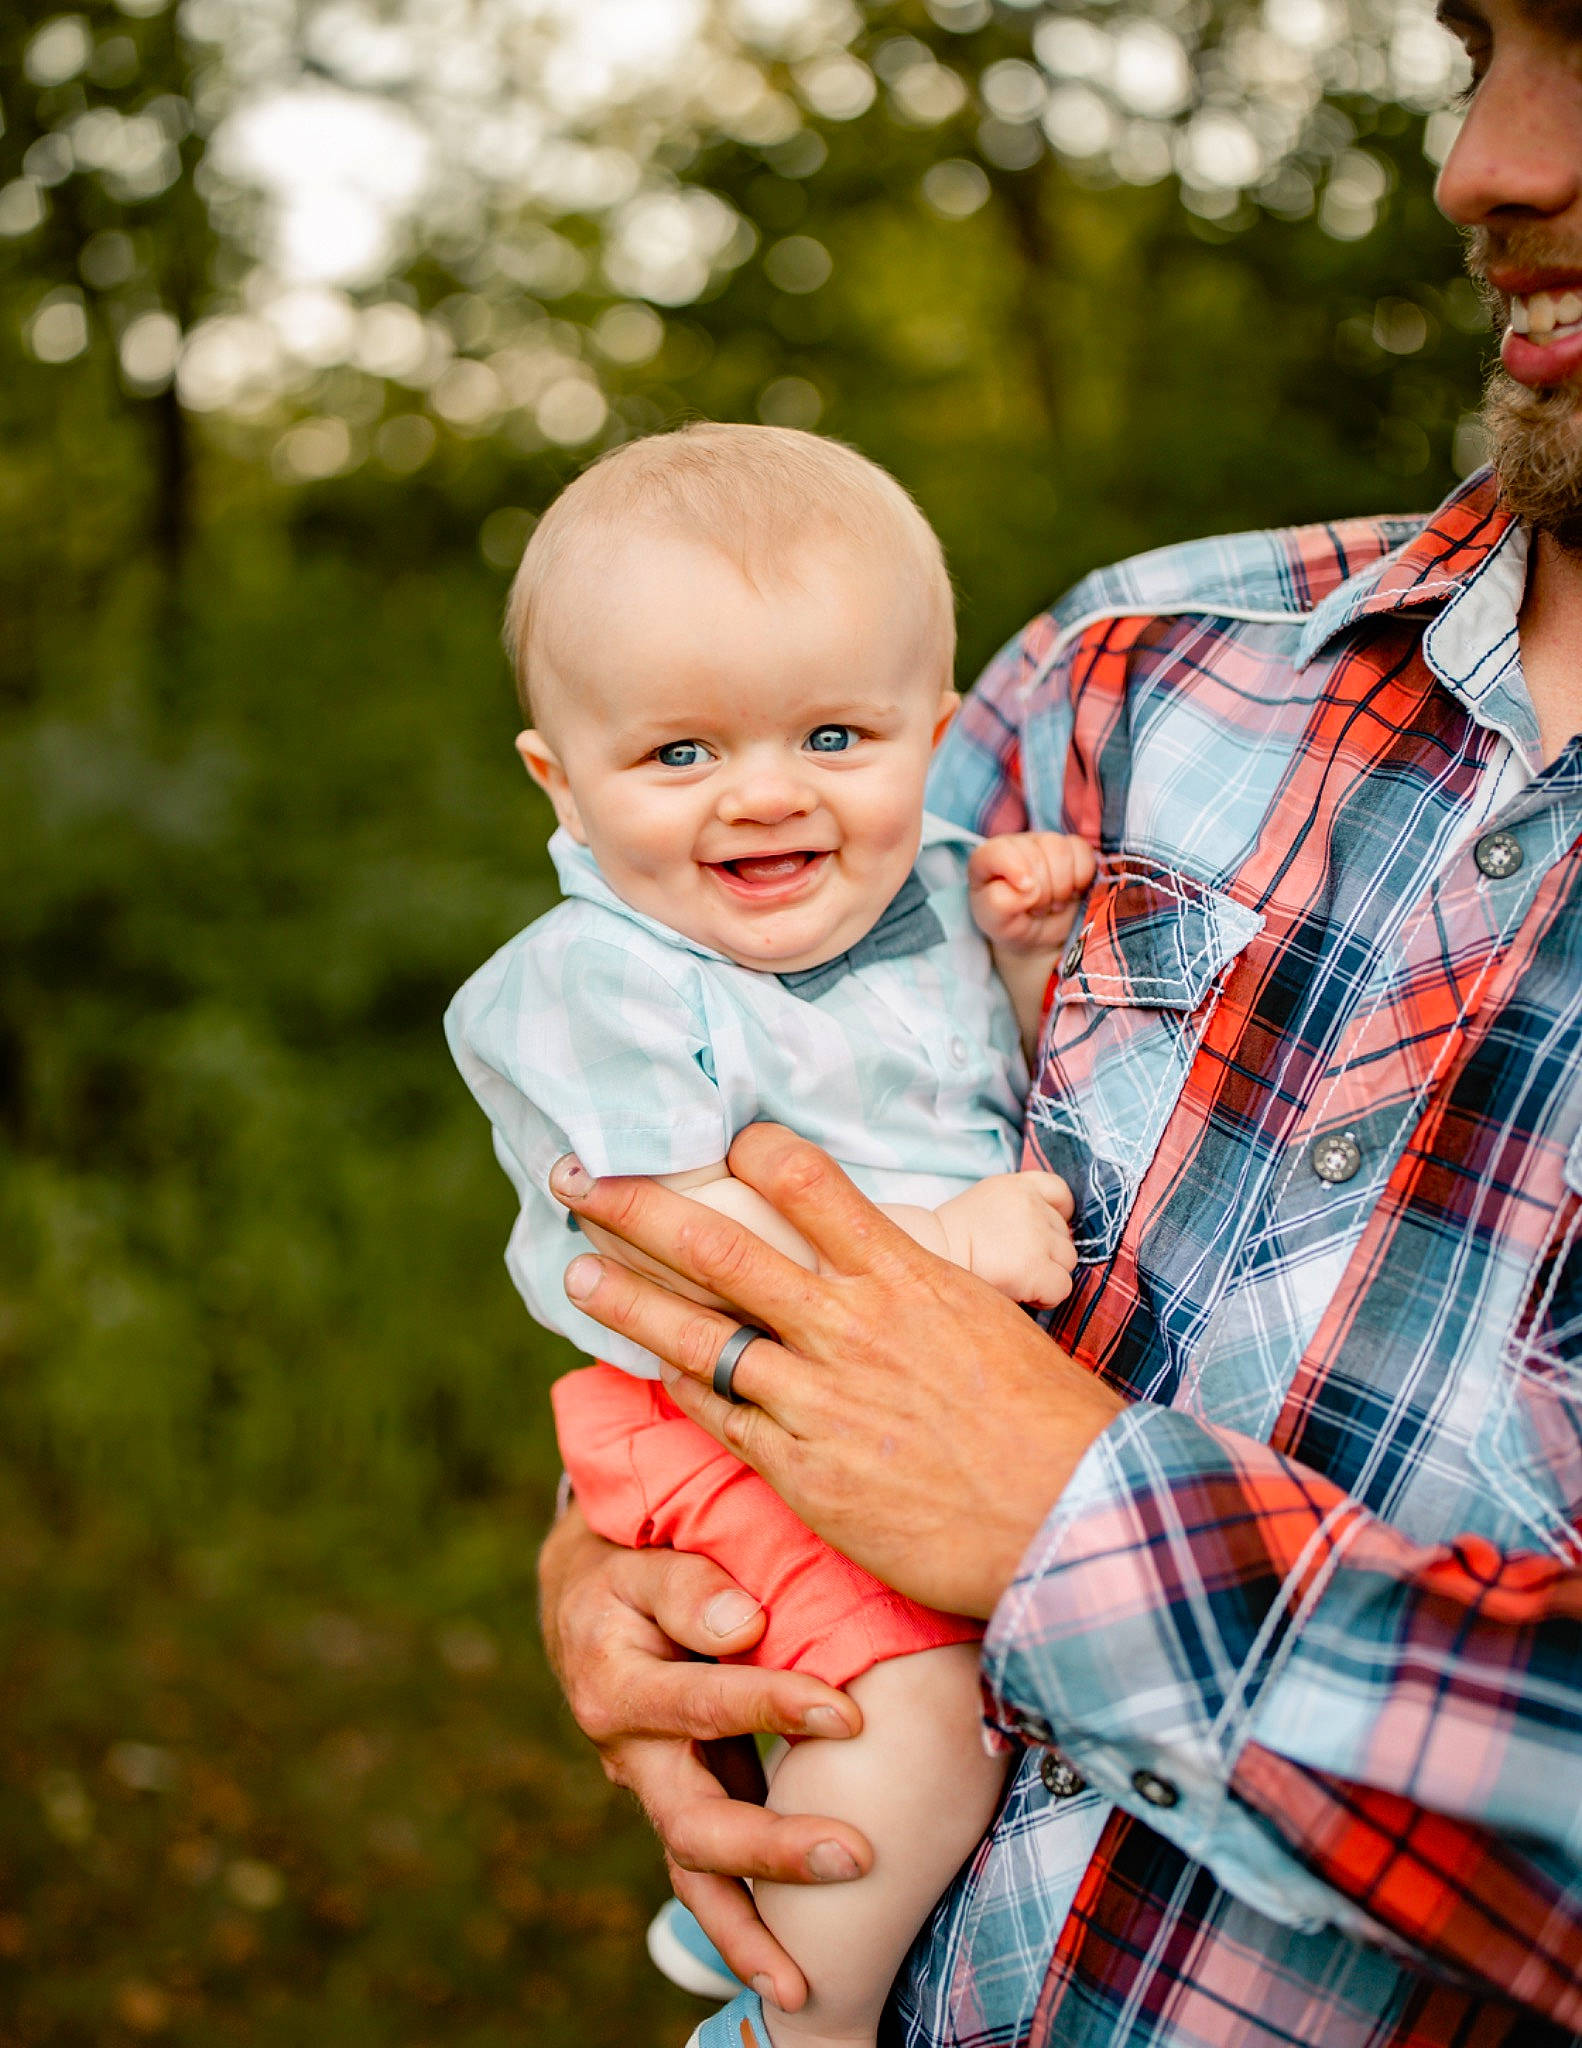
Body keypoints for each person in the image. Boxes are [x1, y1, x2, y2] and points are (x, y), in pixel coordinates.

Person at [533, 2, 1582, 2043]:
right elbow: (746, 1193)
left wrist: (1064, 1515)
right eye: (1480, 43)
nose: (1485, 160)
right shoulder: (1124, 673)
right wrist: (616, 1561)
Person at [446, 424, 1102, 2048]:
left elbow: (1009, 1084)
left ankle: (717, 1933)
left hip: (885, 1404)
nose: (762, 794)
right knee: (926, 1713)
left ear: (937, 739)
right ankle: (793, 2027)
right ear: (563, 781)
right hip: (711, 1408)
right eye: (677, 755)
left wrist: (1026, 959)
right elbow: (680, 1241)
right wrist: (942, 1246)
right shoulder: (592, 985)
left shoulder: (930, 894)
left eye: (831, 733)